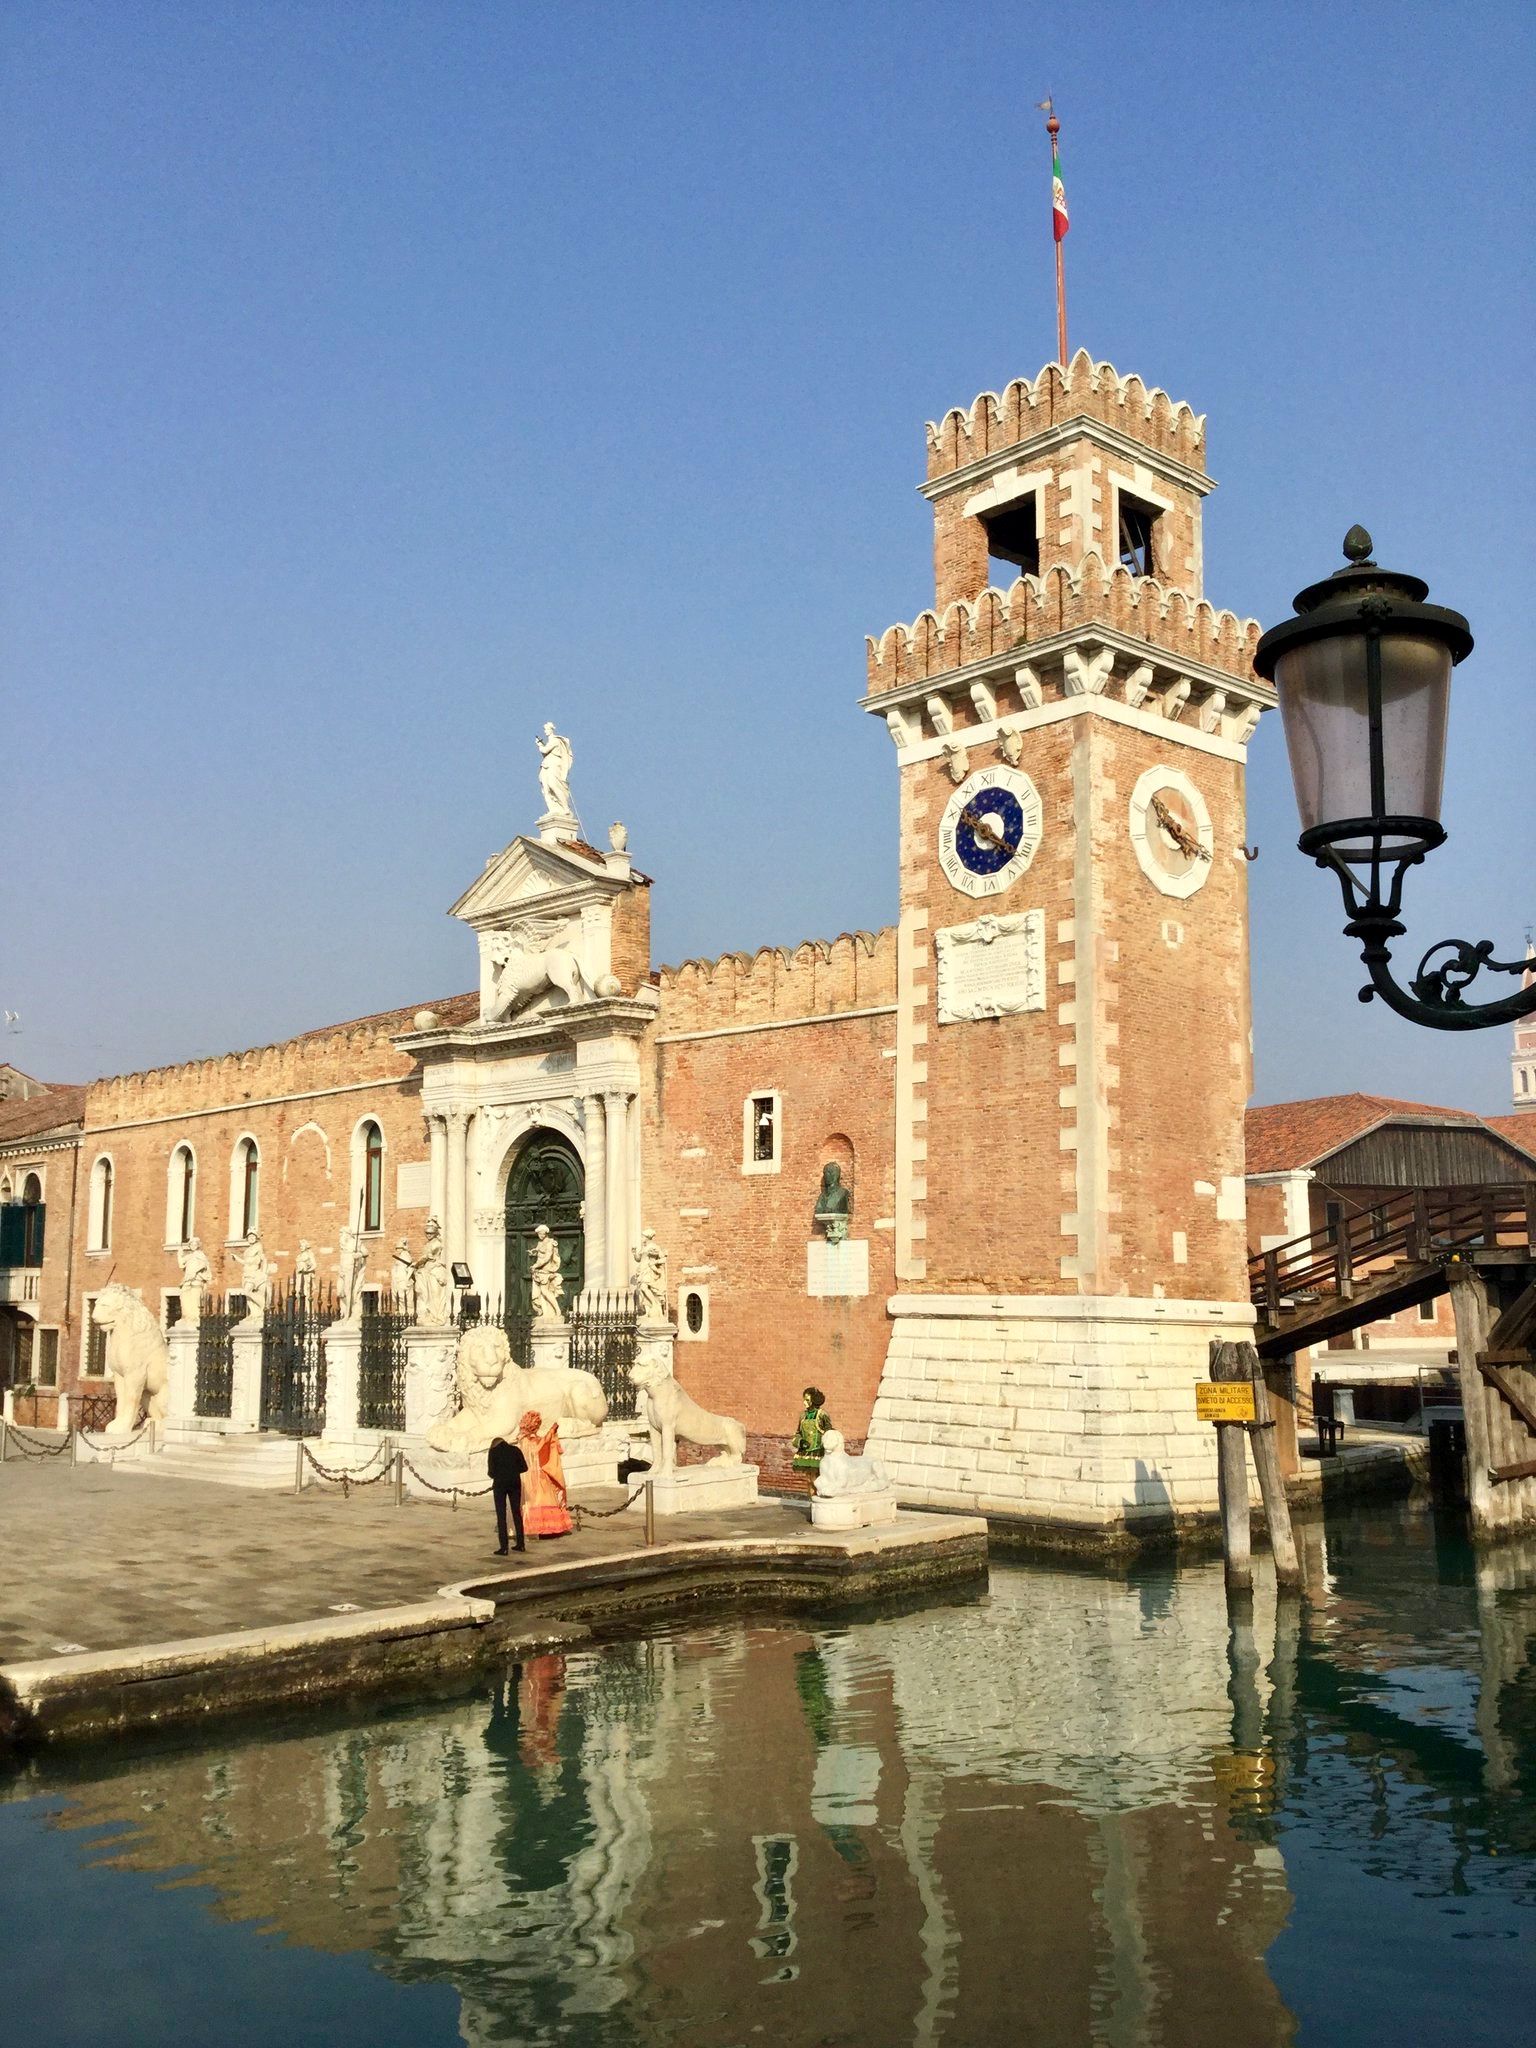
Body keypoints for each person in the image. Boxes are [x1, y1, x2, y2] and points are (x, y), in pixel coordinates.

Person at [517, 1408, 574, 1538]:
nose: (537, 1427)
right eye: (536, 1424)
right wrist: (550, 1433)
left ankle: (545, 1527)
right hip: (534, 1475)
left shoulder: (525, 1439)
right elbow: (539, 1448)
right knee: (540, 1498)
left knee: (542, 1497)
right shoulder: (526, 1440)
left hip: (533, 1475)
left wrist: (550, 1435)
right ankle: (542, 1527)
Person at [487, 1432, 528, 1557]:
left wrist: (500, 1474)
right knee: (517, 1513)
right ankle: (520, 1544)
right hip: (515, 1483)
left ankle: (503, 1547)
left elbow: (491, 1472)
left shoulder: (493, 1452)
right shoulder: (515, 1450)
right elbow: (524, 1468)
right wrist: (513, 1471)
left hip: (500, 1485)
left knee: (501, 1515)